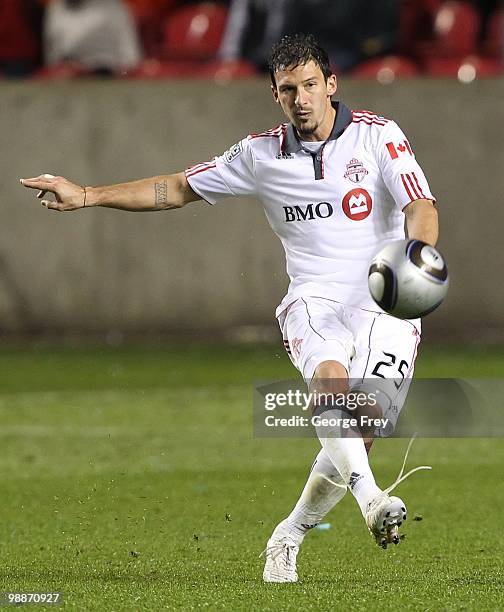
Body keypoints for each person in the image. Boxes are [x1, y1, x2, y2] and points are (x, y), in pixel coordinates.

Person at [20, 33, 438, 583]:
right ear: (275, 96)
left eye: (310, 85)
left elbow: (420, 204)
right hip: (314, 302)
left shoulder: (379, 138)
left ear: (331, 84)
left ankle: (288, 535)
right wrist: (89, 194)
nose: (301, 99)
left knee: (361, 431)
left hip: (386, 303)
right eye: (288, 90)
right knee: (330, 383)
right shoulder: (260, 155)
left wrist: (416, 256)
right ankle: (371, 501)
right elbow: (175, 187)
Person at [43, 0, 142, 75]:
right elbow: (52, 58)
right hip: (68, 79)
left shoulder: (115, 7)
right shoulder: (55, 9)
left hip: (110, 77)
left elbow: (131, 57)